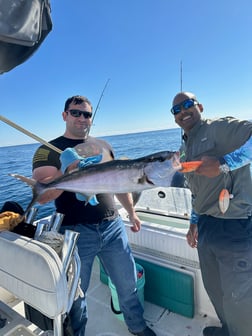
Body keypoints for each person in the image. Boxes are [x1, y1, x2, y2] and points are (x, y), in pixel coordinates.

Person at [32, 95, 156, 336]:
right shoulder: (47, 150)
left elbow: (119, 184)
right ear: (64, 115)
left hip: (112, 226)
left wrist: (132, 214)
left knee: (128, 283)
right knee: (76, 294)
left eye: (87, 114)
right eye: (75, 112)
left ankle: (137, 327)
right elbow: (42, 195)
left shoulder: (104, 146)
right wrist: (69, 169)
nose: (81, 118)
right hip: (75, 232)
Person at [170, 91, 252, 336]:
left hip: (235, 225)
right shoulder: (184, 148)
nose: (182, 112)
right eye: (176, 110)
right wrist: (193, 222)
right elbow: (197, 192)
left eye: (187, 104)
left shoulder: (219, 127)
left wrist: (226, 162)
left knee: (239, 297)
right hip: (206, 227)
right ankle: (229, 331)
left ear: (200, 106)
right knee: (215, 289)